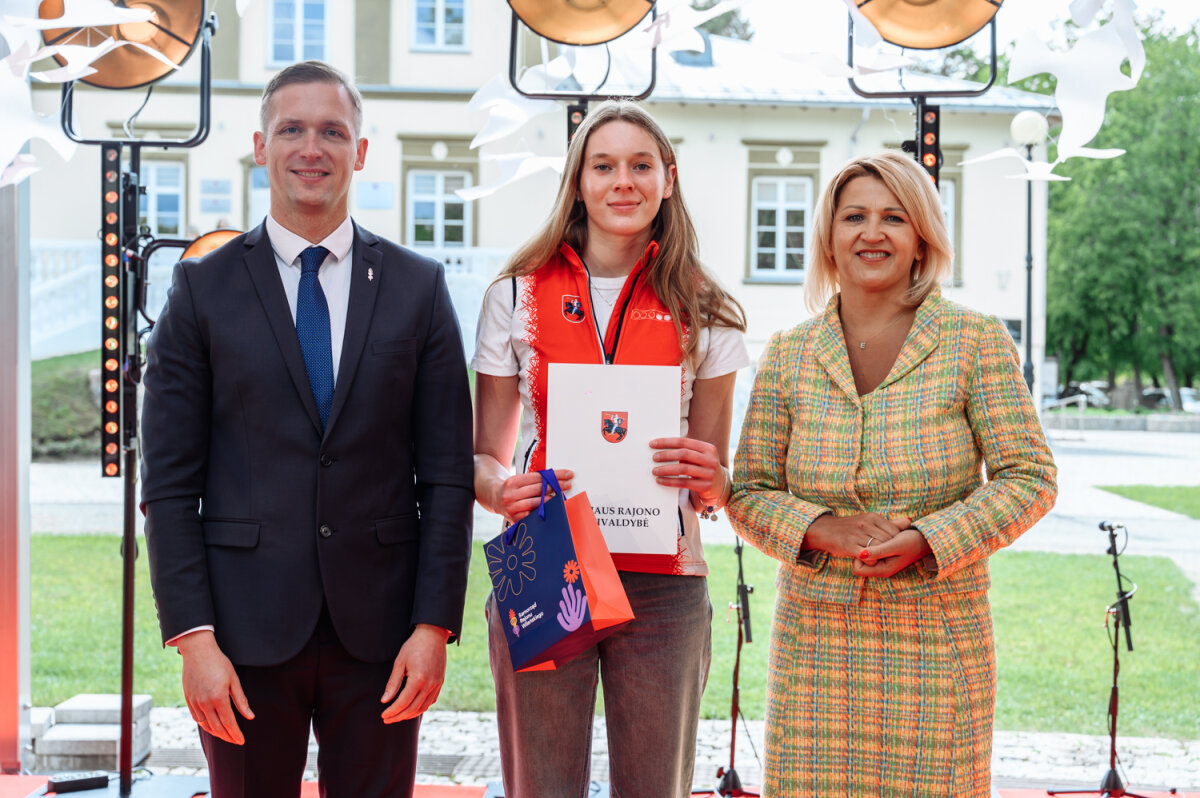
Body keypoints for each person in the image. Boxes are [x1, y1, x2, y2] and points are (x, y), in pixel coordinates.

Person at [140, 60, 473, 797]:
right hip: (241, 634)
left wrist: (433, 627)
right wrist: (193, 640)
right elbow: (167, 486)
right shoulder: (201, 289)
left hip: (383, 634)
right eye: (291, 129)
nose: (311, 148)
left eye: (332, 131)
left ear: (361, 151)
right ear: (261, 146)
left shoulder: (419, 288)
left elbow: (448, 478)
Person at [728, 151, 1057, 797]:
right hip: (814, 648)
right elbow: (749, 491)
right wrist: (821, 529)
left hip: (935, 639)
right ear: (829, 237)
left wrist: (929, 539)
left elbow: (1029, 477)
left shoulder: (975, 340)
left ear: (921, 239)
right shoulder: (789, 352)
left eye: (894, 218)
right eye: (854, 216)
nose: (871, 233)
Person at [471, 100, 749, 797]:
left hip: (664, 577)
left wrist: (713, 478)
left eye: (640, 165)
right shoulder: (515, 295)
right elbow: (482, 459)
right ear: (578, 181)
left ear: (668, 179)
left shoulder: (707, 307)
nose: (623, 181)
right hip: (544, 558)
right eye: (603, 166)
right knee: (541, 786)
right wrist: (499, 488)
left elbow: (713, 481)